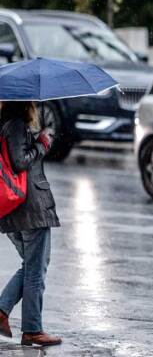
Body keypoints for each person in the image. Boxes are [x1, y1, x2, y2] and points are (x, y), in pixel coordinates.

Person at [0, 101, 62, 347]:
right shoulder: (15, 125)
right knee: (36, 269)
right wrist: (42, 143)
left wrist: (35, 138)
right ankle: (32, 329)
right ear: (25, 104)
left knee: (32, 265)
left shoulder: (8, 125)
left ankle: (3, 311)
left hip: (18, 209)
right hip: (29, 209)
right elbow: (20, 161)